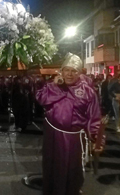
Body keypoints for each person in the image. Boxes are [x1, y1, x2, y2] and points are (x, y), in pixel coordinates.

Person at [36, 53, 102, 195]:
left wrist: (97, 139)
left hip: (74, 139)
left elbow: (94, 117)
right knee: (51, 167)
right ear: (61, 71)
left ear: (79, 73)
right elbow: (40, 99)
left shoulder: (88, 92)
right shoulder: (52, 86)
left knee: (72, 170)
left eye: (74, 71)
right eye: (67, 70)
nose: (70, 74)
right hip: (53, 136)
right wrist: (54, 86)